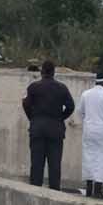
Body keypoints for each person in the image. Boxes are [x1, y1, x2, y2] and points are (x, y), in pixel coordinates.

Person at [21, 60, 75, 190]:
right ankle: (54, 192)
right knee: (55, 165)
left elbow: (25, 104)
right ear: (54, 72)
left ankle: (35, 192)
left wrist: (33, 118)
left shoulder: (33, 87)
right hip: (55, 130)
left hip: (37, 129)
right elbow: (71, 107)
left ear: (41, 72)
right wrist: (60, 118)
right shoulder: (62, 88)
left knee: (37, 164)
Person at [78, 72, 103, 198]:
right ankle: (98, 190)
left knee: (89, 157)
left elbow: (80, 112)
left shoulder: (85, 94)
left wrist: (87, 123)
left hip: (89, 130)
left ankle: (89, 189)